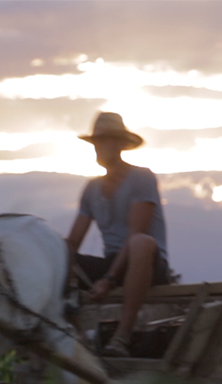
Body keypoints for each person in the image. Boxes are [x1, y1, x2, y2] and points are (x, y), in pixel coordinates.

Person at [66, 112, 172, 357]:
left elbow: (137, 233)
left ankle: (122, 336)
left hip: (145, 263)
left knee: (140, 242)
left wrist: (109, 280)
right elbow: (73, 242)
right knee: (59, 253)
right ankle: (70, 333)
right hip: (112, 263)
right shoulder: (92, 188)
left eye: (107, 141)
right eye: (97, 142)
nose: (100, 148)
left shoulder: (141, 178)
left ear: (122, 144)